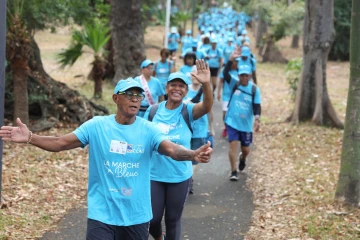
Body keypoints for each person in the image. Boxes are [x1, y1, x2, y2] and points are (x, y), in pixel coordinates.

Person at [0, 77, 213, 240]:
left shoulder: (149, 129)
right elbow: (60, 143)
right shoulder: (97, 126)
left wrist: (193, 154)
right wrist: (30, 137)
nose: (134, 99)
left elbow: (173, 150)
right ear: (115, 98)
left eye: (138, 96)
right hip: (102, 214)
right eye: (129, 94)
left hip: (136, 215)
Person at [143, 60, 213, 240]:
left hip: (179, 176)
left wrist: (206, 84)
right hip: (154, 175)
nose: (177, 88)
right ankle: (159, 237)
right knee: (152, 219)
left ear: (186, 91)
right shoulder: (152, 111)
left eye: (181, 86)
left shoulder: (188, 111)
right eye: (173, 85)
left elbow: (207, 106)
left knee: (173, 220)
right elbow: (142, 139)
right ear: (166, 89)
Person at [223, 47, 261, 181]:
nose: (244, 78)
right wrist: (230, 60)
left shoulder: (254, 89)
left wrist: (257, 119)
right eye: (242, 75)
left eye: (247, 75)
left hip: (245, 125)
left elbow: (257, 106)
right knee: (232, 143)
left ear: (250, 76)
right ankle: (233, 171)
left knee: (245, 149)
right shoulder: (235, 83)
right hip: (232, 121)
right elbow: (225, 73)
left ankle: (242, 158)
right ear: (239, 75)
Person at [183, 66, 212, 194]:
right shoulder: (184, 90)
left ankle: (190, 181)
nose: (195, 76)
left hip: (199, 130)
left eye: (198, 73)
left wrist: (211, 128)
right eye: (194, 73)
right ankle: (185, 180)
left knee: (195, 159)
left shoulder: (205, 91)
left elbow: (209, 110)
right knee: (184, 156)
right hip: (184, 130)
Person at [217, 58, 239, 138]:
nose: (236, 63)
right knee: (225, 114)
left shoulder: (239, 71)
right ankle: (226, 126)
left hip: (236, 96)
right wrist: (218, 92)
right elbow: (221, 81)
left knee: (234, 113)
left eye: (237, 62)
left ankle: (232, 128)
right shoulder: (225, 70)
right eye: (235, 62)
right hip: (226, 95)